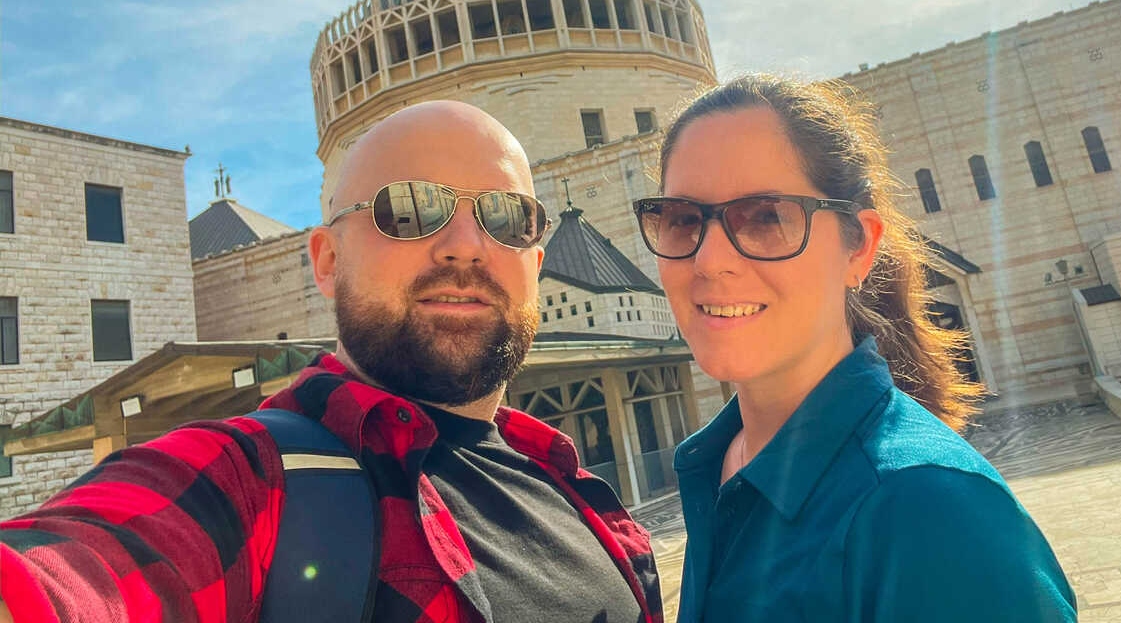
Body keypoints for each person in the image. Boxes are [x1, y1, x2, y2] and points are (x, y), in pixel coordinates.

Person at [1, 101, 661, 623]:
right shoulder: (254, 481)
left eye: (508, 218)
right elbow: (79, 570)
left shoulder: (580, 491)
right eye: (409, 211)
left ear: (535, 265)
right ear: (327, 260)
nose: (467, 247)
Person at [632, 75, 1076, 622]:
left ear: (859, 246)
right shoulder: (718, 465)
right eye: (682, 220)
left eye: (767, 217)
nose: (709, 260)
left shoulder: (927, 508)